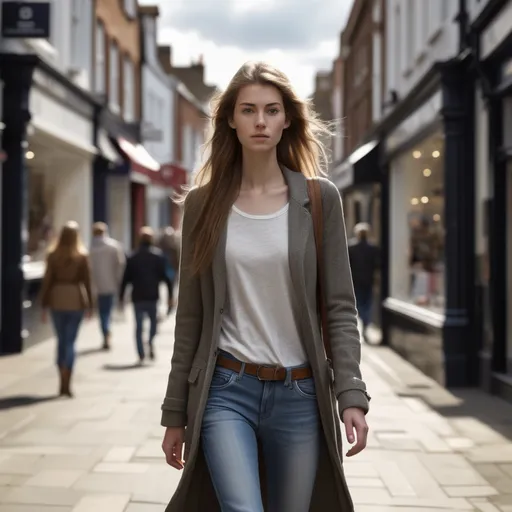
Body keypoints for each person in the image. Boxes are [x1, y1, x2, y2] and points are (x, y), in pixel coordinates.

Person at [160, 61, 371, 512]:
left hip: (300, 395)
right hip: (225, 390)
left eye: (271, 110)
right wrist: (174, 413)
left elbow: (339, 307)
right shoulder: (203, 204)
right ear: (230, 120)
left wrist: (350, 393)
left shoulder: (319, 199)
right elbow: (191, 318)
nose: (260, 121)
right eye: (248, 110)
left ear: (287, 119)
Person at [40, 221, 93, 397]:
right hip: (75, 299)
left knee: (61, 341)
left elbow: (47, 281)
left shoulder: (53, 255)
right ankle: (67, 382)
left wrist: (43, 305)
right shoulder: (82, 255)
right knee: (70, 342)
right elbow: (87, 282)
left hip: (57, 298)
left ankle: (61, 380)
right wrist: (90, 305)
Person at [119, 226, 173, 363]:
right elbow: (166, 277)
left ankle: (141, 353)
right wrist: (170, 296)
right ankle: (150, 341)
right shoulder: (158, 256)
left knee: (138, 327)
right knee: (153, 323)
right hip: (152, 296)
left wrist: (121, 297)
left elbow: (125, 279)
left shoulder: (132, 257)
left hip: (137, 296)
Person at [89, 222, 125, 350]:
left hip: (97, 286)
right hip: (111, 284)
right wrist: (119, 282)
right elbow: (120, 265)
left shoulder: (91, 249)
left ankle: (105, 331)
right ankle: (107, 330)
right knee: (107, 311)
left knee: (102, 312)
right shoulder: (114, 247)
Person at [348, 222, 380, 340]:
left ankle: (363, 321)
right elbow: (377, 265)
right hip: (368, 280)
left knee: (359, 303)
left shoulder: (351, 247)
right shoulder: (373, 248)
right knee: (367, 303)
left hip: (355, 281)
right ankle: (365, 322)